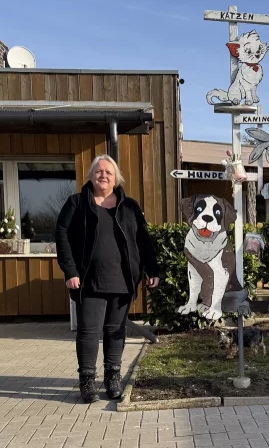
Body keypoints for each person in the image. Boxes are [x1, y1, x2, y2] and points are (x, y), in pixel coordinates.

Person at [55, 154, 160, 403]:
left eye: (108, 172)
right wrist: (70, 270)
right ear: (91, 176)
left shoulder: (130, 206)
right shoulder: (77, 203)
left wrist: (152, 270)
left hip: (123, 280)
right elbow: (62, 234)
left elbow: (143, 240)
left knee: (116, 331)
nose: (103, 175)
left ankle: (113, 378)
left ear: (116, 178)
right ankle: (87, 381)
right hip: (88, 280)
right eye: (99, 171)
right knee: (89, 332)